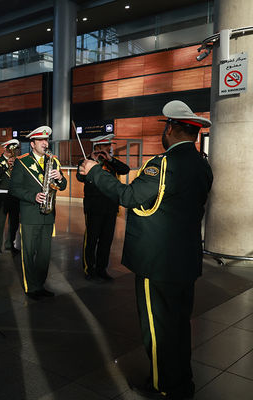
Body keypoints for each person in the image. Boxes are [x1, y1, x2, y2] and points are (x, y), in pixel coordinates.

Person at [78, 100, 213, 399]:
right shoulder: (202, 165)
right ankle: (182, 382)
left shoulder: (162, 165)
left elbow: (129, 195)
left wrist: (94, 172)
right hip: (186, 258)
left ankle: (164, 386)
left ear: (172, 128)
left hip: (159, 262)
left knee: (158, 328)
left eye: (166, 126)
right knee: (179, 324)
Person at [9, 126, 66, 300]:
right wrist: (33, 196)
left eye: (46, 140)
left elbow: (62, 186)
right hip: (30, 214)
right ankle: (31, 287)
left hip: (48, 214)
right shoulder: (22, 161)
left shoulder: (53, 160)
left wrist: (60, 178)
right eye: (40, 140)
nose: (44, 143)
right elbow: (14, 189)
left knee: (44, 254)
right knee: (28, 252)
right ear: (32, 144)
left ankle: (40, 284)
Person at [77, 134, 130, 281]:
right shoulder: (86, 161)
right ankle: (89, 269)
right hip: (94, 209)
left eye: (109, 146)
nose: (109, 148)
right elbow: (80, 177)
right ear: (98, 147)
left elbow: (125, 169)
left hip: (110, 208)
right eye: (106, 146)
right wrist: (93, 161)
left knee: (106, 241)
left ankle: (102, 269)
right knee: (91, 240)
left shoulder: (111, 162)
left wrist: (111, 159)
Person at [0, 138, 20, 255]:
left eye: (14, 149)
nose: (11, 151)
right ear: (4, 148)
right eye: (9, 149)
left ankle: (10, 244)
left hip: (14, 195)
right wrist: (6, 166)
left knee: (14, 222)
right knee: (0, 222)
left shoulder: (18, 161)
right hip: (1, 195)